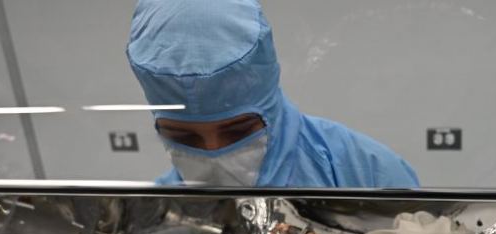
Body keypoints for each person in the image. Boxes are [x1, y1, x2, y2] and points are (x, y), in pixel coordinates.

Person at [126, 0, 419, 188]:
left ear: (269, 107)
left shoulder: (368, 174)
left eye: (237, 132)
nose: (214, 156)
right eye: (184, 138)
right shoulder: (160, 213)